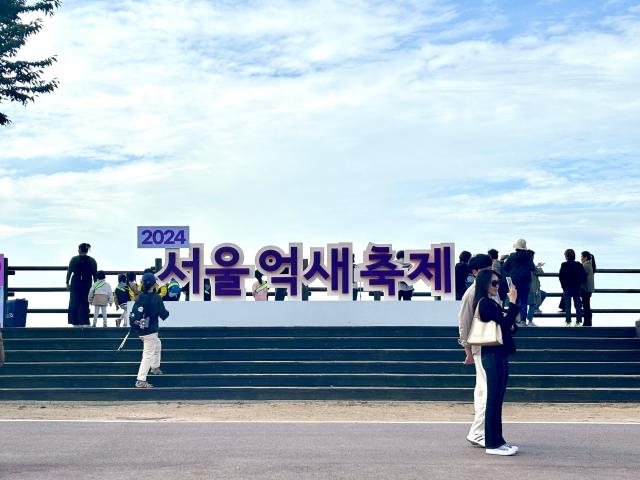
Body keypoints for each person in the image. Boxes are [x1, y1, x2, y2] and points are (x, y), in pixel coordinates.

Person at [474, 269, 520, 456]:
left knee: (498, 399)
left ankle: (499, 441)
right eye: (494, 283)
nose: (497, 286)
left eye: (498, 283)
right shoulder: (484, 303)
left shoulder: (493, 303)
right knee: (493, 400)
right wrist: (513, 302)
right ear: (484, 283)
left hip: (499, 354)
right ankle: (492, 444)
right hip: (492, 355)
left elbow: (510, 326)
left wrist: (508, 317)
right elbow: (506, 322)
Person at [457, 253, 493, 448]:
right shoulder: (473, 293)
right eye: (486, 269)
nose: (491, 272)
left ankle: (479, 431)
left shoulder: (484, 290)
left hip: (483, 346)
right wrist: (467, 349)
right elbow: (464, 321)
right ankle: (478, 431)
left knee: (481, 391)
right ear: (475, 272)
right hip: (482, 347)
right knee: (486, 391)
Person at [131, 272, 170, 388]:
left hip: (141, 331)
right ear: (153, 285)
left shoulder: (139, 298)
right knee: (147, 355)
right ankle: (141, 380)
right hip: (151, 331)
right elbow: (164, 315)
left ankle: (155, 367)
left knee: (158, 344)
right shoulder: (156, 298)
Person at [503, 239, 535, 325]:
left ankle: (513, 320)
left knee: (513, 300)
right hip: (525, 282)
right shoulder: (528, 256)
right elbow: (533, 268)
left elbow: (505, 267)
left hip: (514, 282)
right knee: (523, 301)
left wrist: (512, 270)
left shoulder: (512, 256)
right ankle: (523, 320)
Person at [66, 243, 98, 327]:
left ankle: (75, 322)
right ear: (87, 251)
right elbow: (95, 275)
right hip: (87, 283)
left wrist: (67, 283)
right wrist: (95, 287)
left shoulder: (74, 259)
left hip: (75, 282)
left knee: (74, 301)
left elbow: (69, 272)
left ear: (79, 250)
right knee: (85, 302)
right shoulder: (92, 260)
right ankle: (85, 322)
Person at [559, 249, 586, 326]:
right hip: (576, 287)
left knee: (567, 306)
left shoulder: (564, 265)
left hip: (567, 288)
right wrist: (580, 283)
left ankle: (568, 322)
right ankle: (578, 321)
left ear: (566, 256)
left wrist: (563, 286)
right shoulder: (578, 265)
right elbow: (583, 276)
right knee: (577, 305)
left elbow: (561, 276)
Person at [580, 251, 596, 327]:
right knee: (586, 305)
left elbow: (581, 276)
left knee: (586, 306)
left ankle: (587, 322)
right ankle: (588, 322)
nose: (581, 259)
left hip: (585, 288)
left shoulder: (585, 266)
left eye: (581, 257)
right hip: (589, 289)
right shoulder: (590, 265)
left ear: (585, 257)